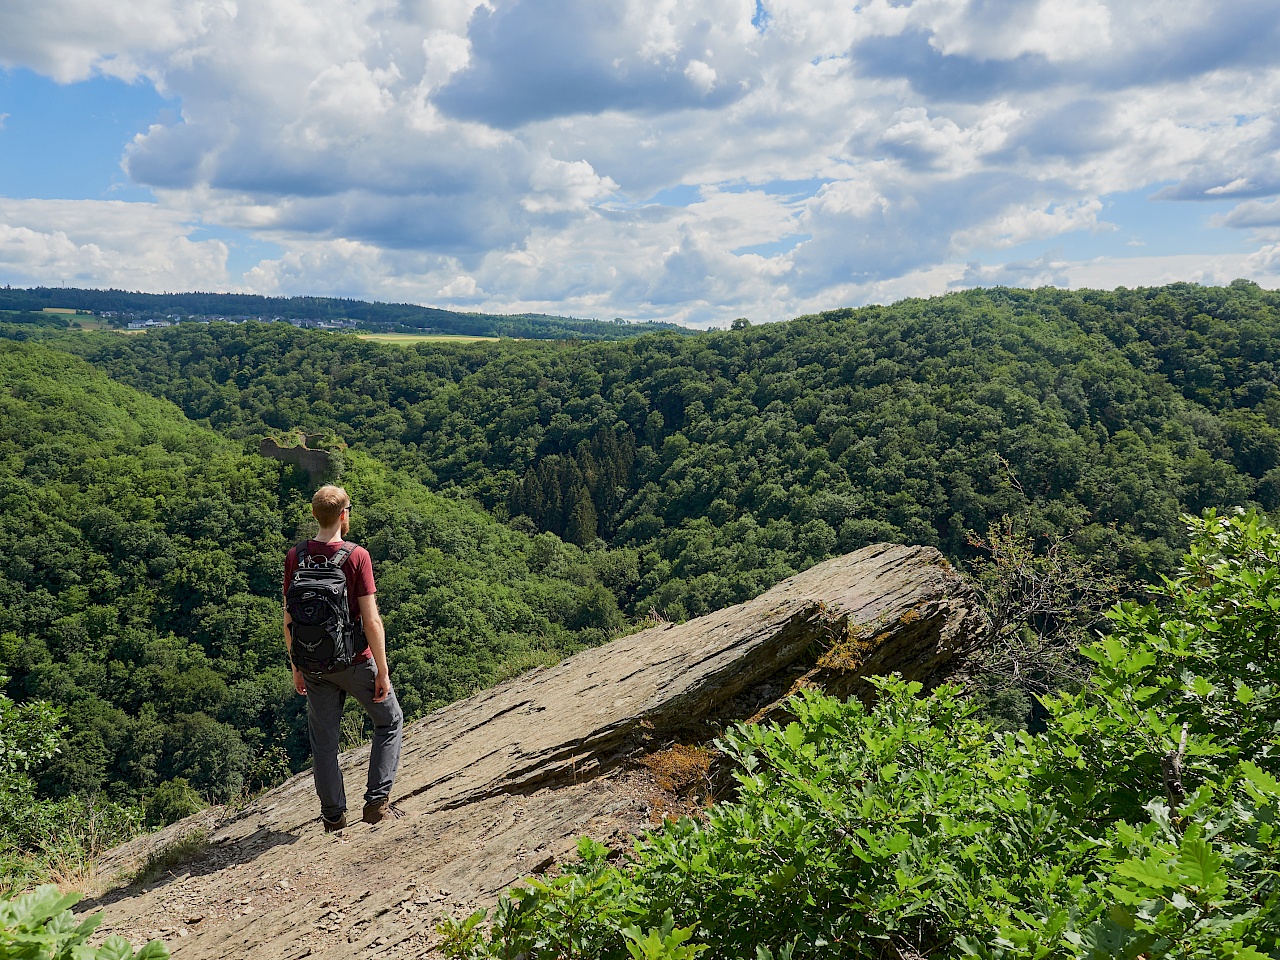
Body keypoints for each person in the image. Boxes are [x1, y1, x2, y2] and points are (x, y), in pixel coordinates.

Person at [283, 485, 403, 831]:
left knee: (324, 743)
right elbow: (372, 620)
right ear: (344, 515)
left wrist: (297, 667)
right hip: (354, 660)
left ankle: (333, 816)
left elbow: (289, 617)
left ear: (314, 514)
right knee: (389, 721)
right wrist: (382, 669)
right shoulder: (356, 556)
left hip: (313, 663)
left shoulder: (297, 555)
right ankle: (376, 803)